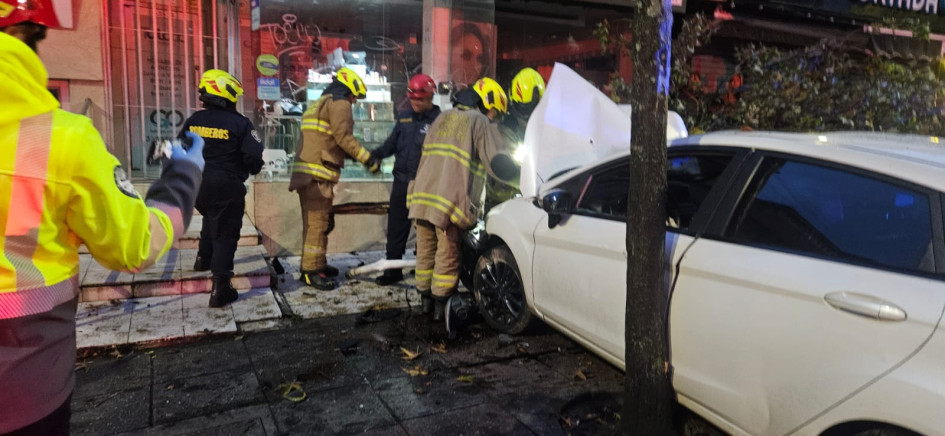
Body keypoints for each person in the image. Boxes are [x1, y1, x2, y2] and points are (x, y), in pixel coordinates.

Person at [0, 1, 204, 433]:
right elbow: (133, 246)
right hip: (24, 387)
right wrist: (182, 178)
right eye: (39, 38)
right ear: (22, 34)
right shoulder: (47, 138)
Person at [407, 77, 519, 331]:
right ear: (487, 102)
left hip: (423, 197)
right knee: (447, 255)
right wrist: (524, 178)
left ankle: (424, 304)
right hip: (447, 202)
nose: (495, 119)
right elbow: (497, 162)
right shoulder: (478, 121)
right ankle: (440, 310)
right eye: (495, 112)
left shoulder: (442, 117)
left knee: (425, 252)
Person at [289, 67, 381, 290]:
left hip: (308, 174)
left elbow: (327, 139)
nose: (354, 102)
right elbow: (343, 138)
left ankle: (317, 263)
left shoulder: (320, 103)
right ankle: (310, 272)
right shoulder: (340, 104)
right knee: (317, 225)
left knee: (317, 223)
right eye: (354, 97)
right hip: (318, 176)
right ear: (349, 90)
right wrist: (367, 159)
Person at [182, 69, 264, 308]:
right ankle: (221, 288)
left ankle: (203, 258)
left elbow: (179, 148)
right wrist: (252, 168)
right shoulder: (241, 123)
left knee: (211, 216)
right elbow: (253, 156)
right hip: (226, 185)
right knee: (226, 234)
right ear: (226, 94)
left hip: (196, 184)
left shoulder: (194, 120)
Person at [371, 74, 441, 293]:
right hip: (401, 181)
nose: (415, 103)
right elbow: (391, 144)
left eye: (419, 99)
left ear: (430, 97)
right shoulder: (404, 117)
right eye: (412, 99)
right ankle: (393, 270)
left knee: (425, 229)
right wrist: (373, 155)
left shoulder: (440, 120)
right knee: (396, 228)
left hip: (425, 184)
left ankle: (424, 268)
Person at [485, 67, 546, 212]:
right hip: (503, 196)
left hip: (533, 193)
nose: (527, 111)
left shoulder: (543, 123)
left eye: (532, 105)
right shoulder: (506, 126)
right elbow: (505, 167)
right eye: (523, 107)